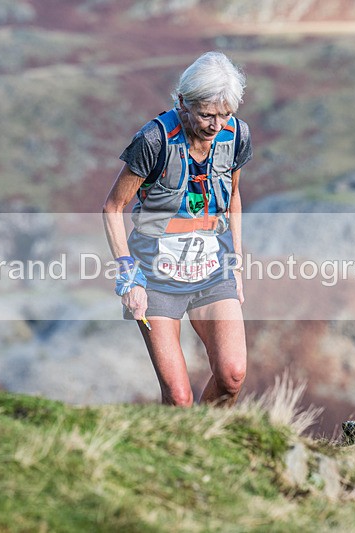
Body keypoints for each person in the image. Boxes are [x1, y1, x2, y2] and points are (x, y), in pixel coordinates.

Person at [102, 51, 252, 407]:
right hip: (155, 276)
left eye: (225, 114)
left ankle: (210, 447)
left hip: (213, 271)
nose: (216, 125)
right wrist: (128, 275)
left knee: (232, 375)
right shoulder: (153, 140)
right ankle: (180, 451)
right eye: (206, 114)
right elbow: (113, 207)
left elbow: (233, 198)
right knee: (179, 397)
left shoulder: (237, 135)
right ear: (183, 101)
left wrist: (237, 262)